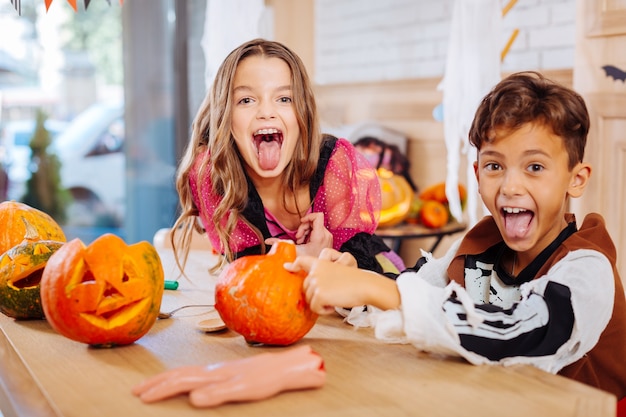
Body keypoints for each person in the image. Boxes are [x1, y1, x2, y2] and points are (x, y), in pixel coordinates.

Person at [286, 71, 626, 400]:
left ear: (576, 179)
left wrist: (376, 288)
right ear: (477, 175)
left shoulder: (587, 268)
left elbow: (517, 330)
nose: (510, 187)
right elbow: (417, 288)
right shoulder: (481, 249)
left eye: (534, 167)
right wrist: (352, 284)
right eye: (495, 166)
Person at [171, 38, 404, 274]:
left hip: (371, 273)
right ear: (226, 116)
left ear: (302, 112)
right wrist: (301, 256)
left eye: (284, 99)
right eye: (246, 100)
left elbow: (361, 273)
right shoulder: (214, 173)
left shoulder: (333, 161)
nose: (266, 112)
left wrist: (321, 256)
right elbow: (247, 273)